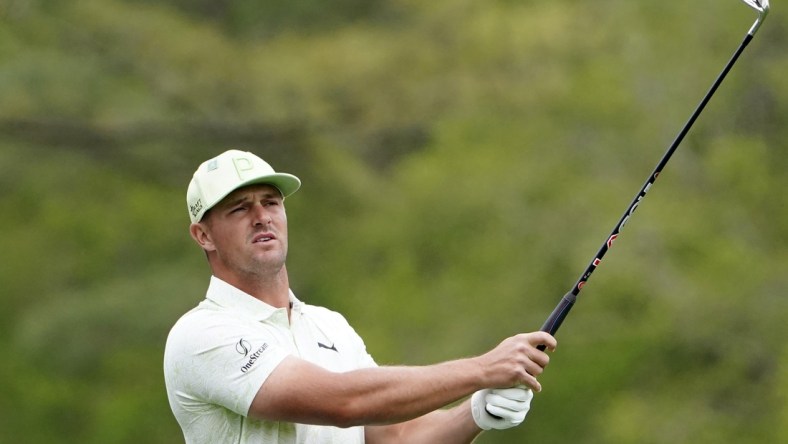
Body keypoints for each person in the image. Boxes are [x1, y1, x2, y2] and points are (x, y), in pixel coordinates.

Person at [164, 149, 557, 443]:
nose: (262, 216)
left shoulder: (329, 325)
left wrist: (477, 412)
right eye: (239, 208)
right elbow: (343, 404)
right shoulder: (201, 334)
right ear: (204, 235)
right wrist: (483, 369)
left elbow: (397, 437)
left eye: (271, 202)